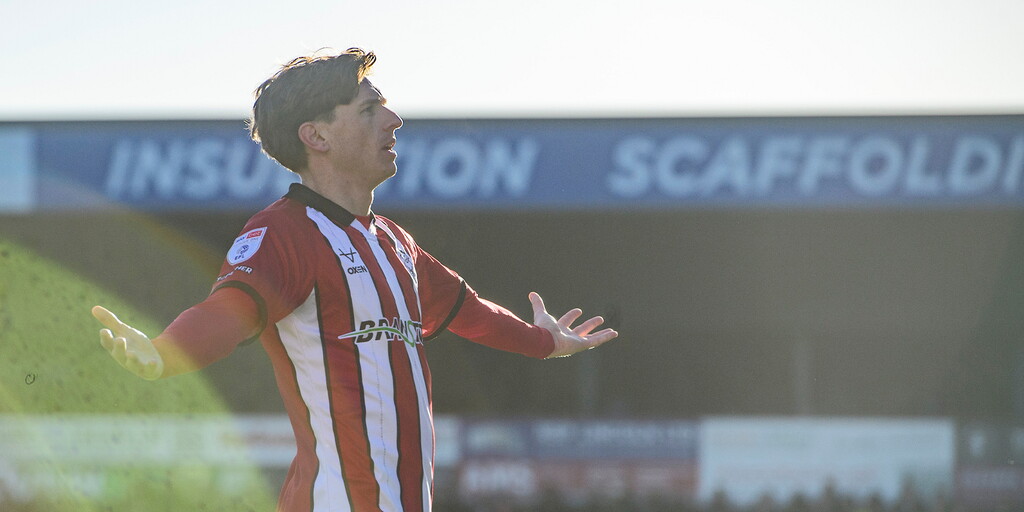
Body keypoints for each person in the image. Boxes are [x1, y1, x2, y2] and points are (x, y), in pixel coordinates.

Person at [91, 47, 618, 512]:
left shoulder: (394, 242)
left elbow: (470, 312)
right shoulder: (285, 233)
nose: (394, 120)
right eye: (369, 109)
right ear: (316, 136)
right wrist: (165, 353)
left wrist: (543, 341)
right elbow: (229, 310)